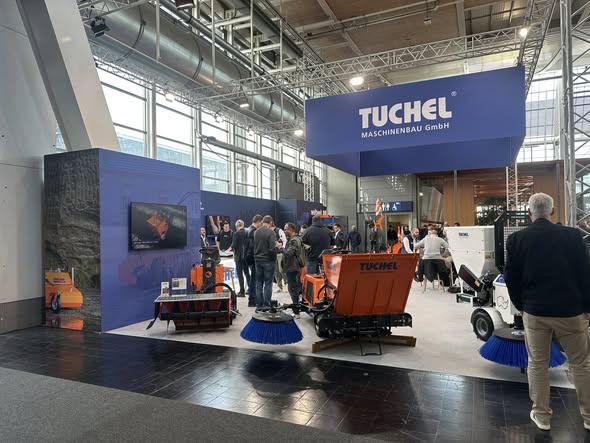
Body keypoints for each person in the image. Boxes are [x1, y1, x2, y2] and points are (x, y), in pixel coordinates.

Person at [504, 193, 590, 432]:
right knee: (581, 364)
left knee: (537, 364)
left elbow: (511, 277)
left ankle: (542, 416)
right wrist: (587, 307)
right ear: (552, 211)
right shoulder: (572, 236)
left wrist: (521, 304)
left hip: (535, 311)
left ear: (529, 213)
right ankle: (588, 416)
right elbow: (585, 273)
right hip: (571, 311)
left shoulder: (517, 239)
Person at [253, 215, 279, 310]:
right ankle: (266, 305)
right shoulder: (271, 233)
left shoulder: (256, 232)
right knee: (268, 283)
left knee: (259, 283)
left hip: (258, 260)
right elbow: (272, 249)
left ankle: (259, 305)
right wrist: (277, 249)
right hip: (268, 261)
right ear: (270, 223)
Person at [282, 222, 303, 318]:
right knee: (294, 288)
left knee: (292, 289)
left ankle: (296, 311)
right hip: (294, 267)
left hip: (292, 268)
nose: (284, 231)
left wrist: (280, 247)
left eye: (285, 229)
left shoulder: (294, 240)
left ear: (291, 230)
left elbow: (288, 253)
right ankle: (296, 308)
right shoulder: (296, 239)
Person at [244, 214, 262, 307]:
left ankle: (253, 298)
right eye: (261, 223)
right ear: (258, 222)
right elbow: (253, 246)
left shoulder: (247, 230)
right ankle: (252, 299)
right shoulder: (253, 232)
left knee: (253, 279)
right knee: (254, 279)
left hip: (248, 256)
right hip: (253, 257)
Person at [231, 219, 250, 298]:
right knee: (247, 273)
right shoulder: (247, 232)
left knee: (240, 274)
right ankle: (250, 289)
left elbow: (234, 245)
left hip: (238, 257)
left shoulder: (236, 234)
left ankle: (242, 291)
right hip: (246, 256)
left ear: (236, 226)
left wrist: (228, 250)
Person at [271, 221, 287, 292]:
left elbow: (284, 240)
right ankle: (279, 286)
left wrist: (282, 248)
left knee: (281, 270)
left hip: (280, 253)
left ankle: (286, 284)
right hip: (273, 253)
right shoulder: (269, 232)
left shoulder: (279, 230)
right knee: (276, 271)